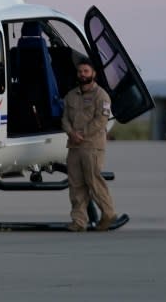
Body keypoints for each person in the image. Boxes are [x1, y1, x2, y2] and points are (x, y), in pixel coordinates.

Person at [61, 59, 117, 232]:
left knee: (93, 181)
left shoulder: (101, 96)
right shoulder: (70, 96)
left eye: (86, 71)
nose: (82, 74)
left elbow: (101, 120)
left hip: (92, 146)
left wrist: (82, 134)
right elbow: (64, 119)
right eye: (80, 71)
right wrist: (71, 133)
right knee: (76, 185)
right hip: (74, 146)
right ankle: (78, 222)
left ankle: (108, 214)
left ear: (93, 74)